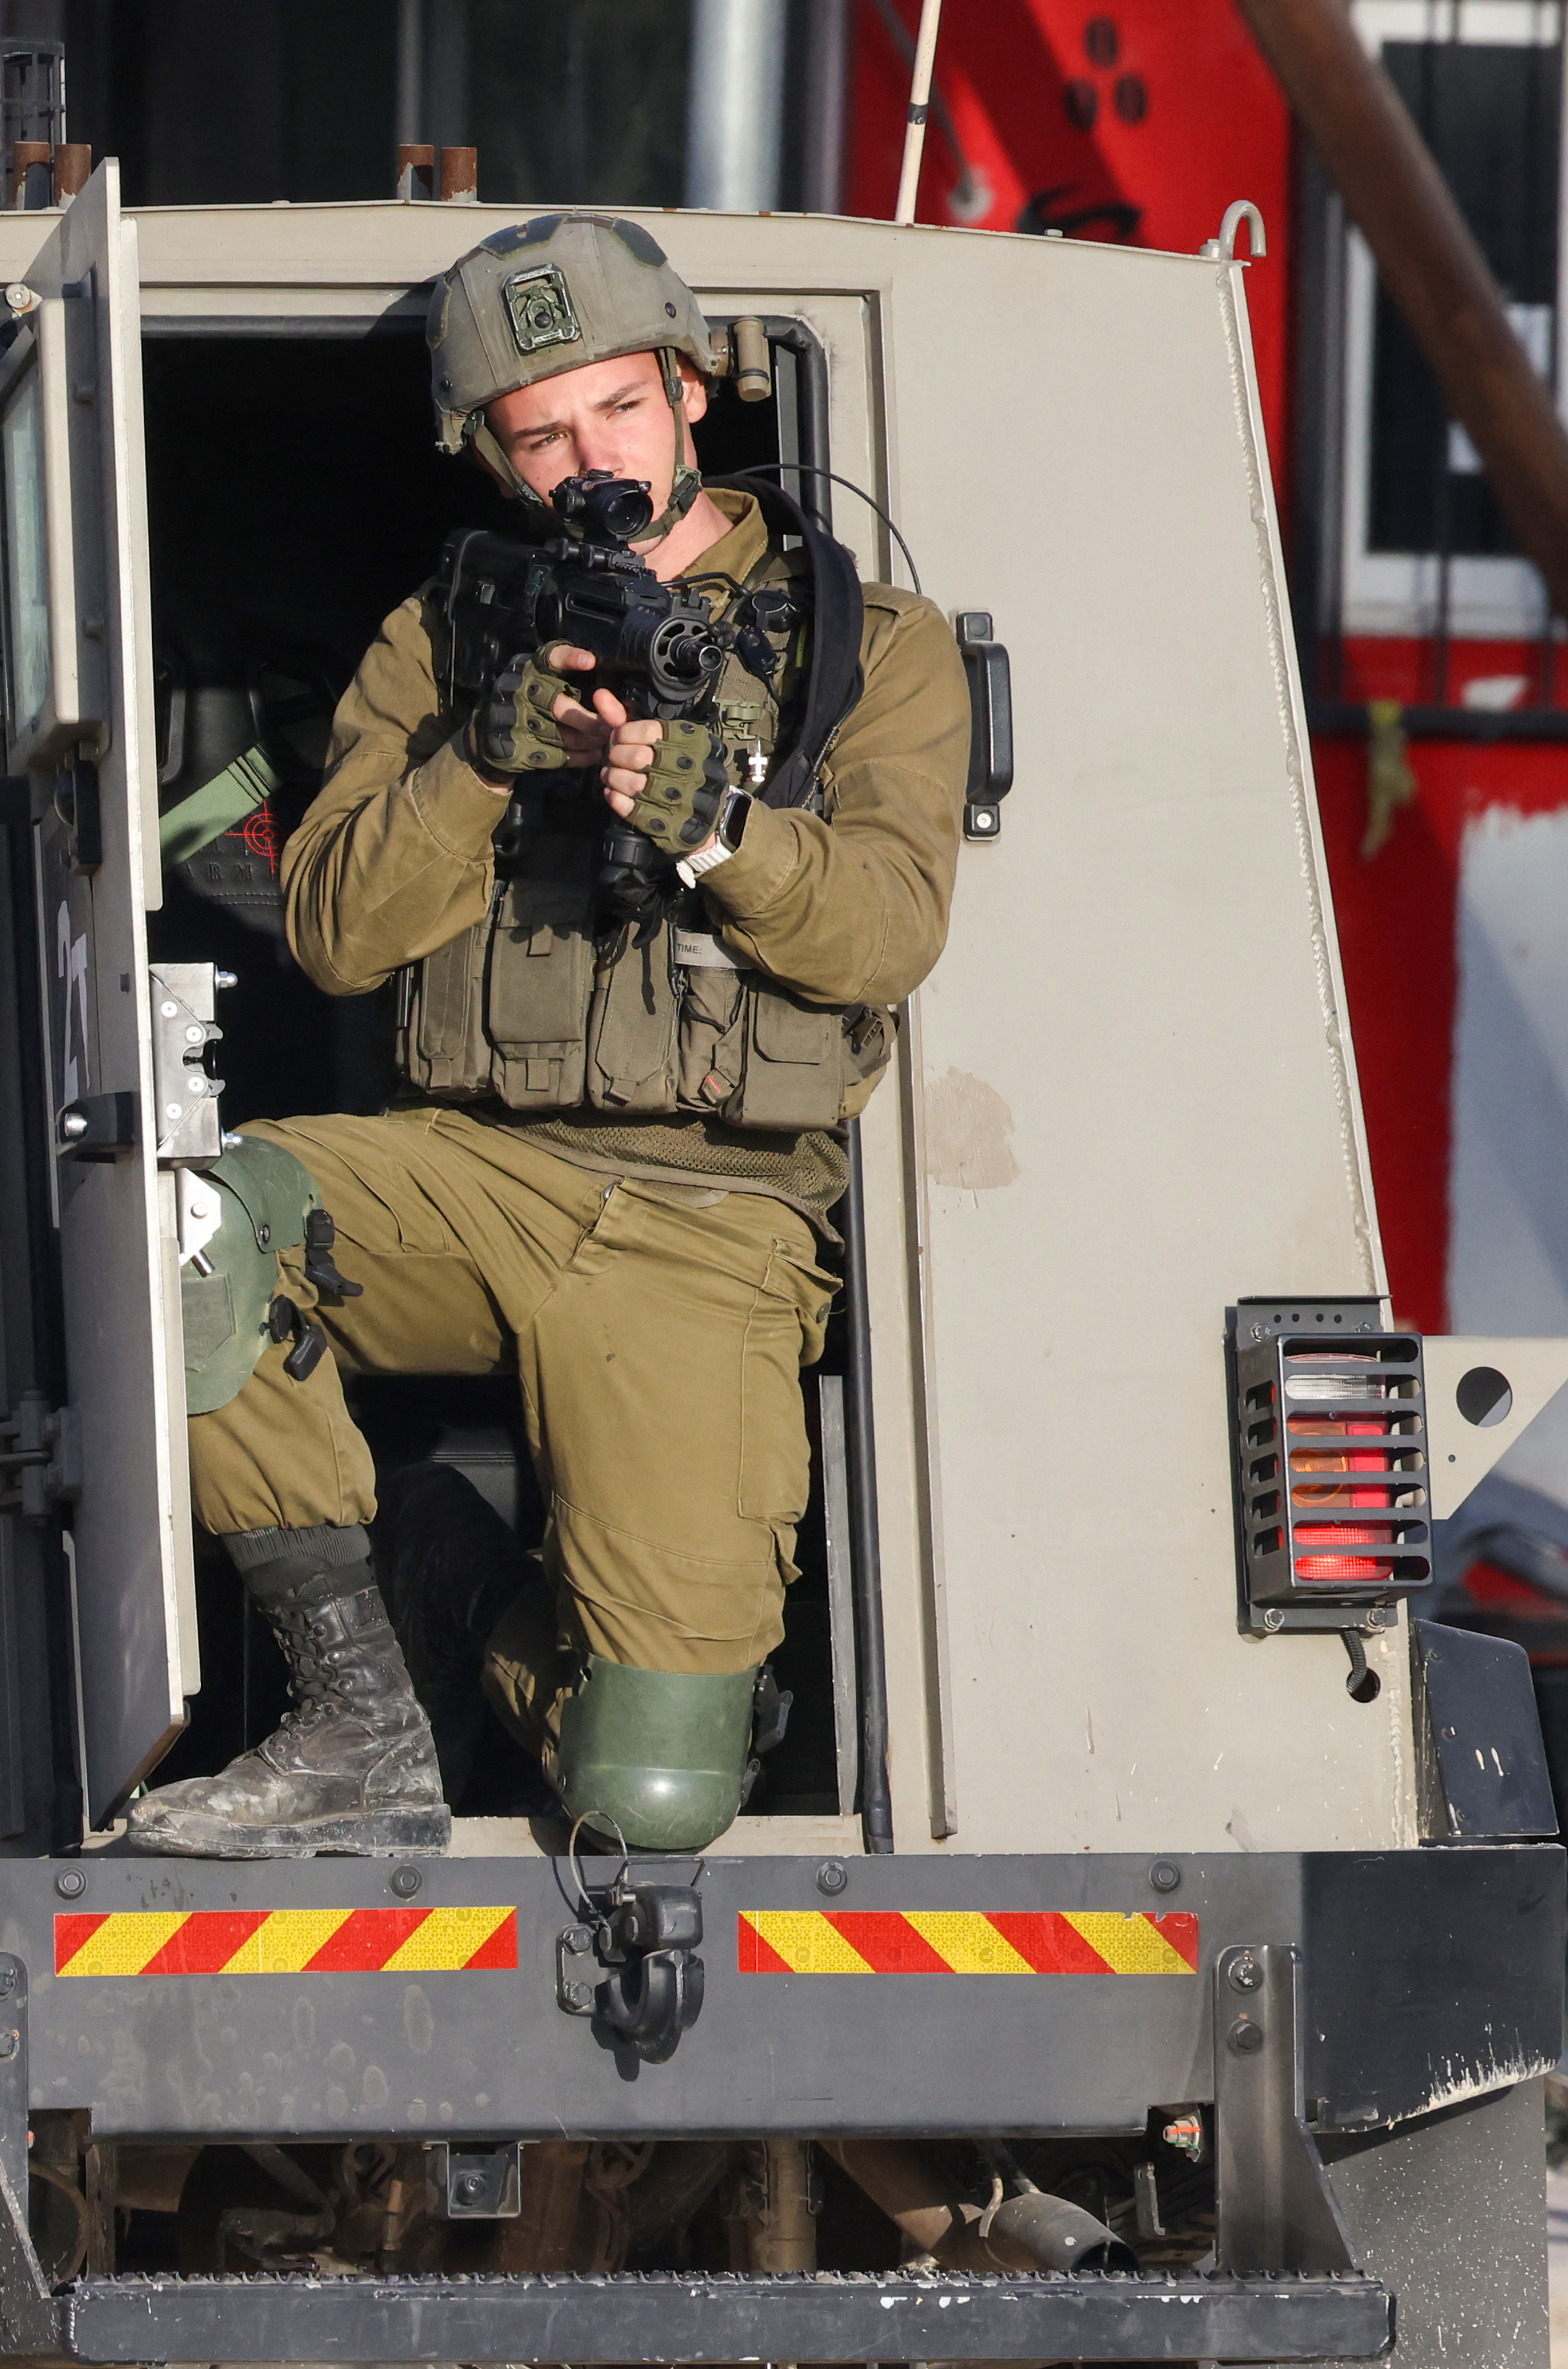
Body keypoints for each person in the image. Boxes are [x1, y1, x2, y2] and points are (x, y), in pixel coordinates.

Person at [128, 212, 971, 1860]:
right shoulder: (443, 641)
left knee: (651, 1795)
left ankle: (430, 1560)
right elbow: (336, 937)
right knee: (185, 1219)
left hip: (714, 1222)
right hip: (476, 1171)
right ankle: (356, 1728)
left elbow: (888, 932)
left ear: (690, 394)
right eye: (542, 435)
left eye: (618, 413)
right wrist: (479, 761)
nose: (591, 458)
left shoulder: (870, 650)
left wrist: (716, 826)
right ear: (500, 464)